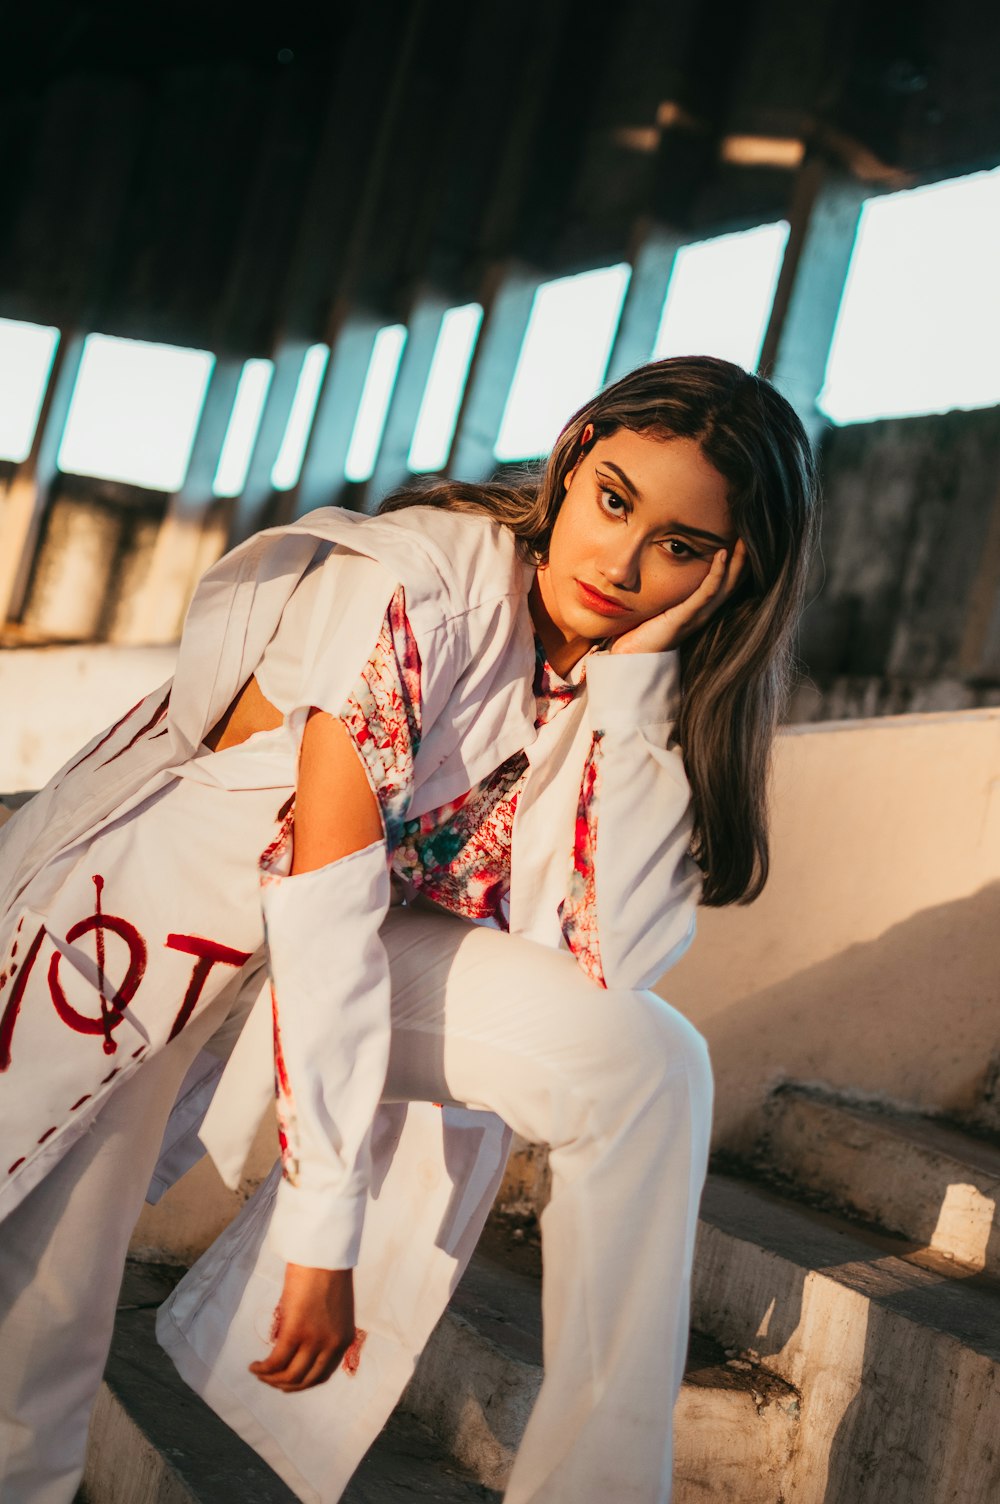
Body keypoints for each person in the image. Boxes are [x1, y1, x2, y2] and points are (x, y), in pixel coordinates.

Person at [0, 355, 818, 1504]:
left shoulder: (631, 680)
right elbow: (323, 897)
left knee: (649, 1061)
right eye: (615, 500)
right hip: (155, 922)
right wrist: (321, 1228)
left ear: (728, 576)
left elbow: (615, 960)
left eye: (682, 547)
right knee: (34, 1326)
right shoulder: (422, 586)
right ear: (574, 459)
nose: (621, 563)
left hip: (341, 953)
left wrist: (638, 687)